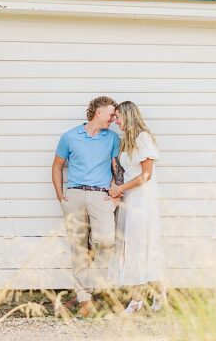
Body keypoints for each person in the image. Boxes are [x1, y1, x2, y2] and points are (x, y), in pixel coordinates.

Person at [51, 96, 123, 318]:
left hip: (101, 196)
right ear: (98, 112)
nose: (113, 118)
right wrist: (60, 194)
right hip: (74, 195)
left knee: (106, 240)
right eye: (111, 114)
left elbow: (117, 168)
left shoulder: (112, 138)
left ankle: (91, 245)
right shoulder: (70, 136)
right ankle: (85, 300)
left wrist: (116, 193)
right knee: (77, 249)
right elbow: (57, 166)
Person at [107, 100, 167, 313]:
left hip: (142, 201)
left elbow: (146, 175)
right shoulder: (128, 140)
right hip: (130, 200)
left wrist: (121, 187)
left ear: (128, 115)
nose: (115, 121)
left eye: (118, 117)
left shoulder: (143, 138)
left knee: (140, 249)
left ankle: (142, 299)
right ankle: (146, 298)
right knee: (131, 250)